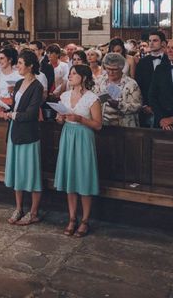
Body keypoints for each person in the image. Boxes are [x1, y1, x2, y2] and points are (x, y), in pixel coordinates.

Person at [54, 65, 102, 237]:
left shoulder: (92, 98)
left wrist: (80, 119)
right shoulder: (64, 95)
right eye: (70, 73)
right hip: (68, 135)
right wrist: (60, 118)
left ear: (83, 77)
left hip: (83, 137)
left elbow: (98, 124)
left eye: (74, 74)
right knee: (70, 177)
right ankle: (72, 218)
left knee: (84, 177)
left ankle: (85, 220)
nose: (70, 76)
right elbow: (61, 120)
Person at [3, 50, 45, 226]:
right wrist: (8, 112)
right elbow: (16, 106)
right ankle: (19, 208)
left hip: (28, 132)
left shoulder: (37, 86)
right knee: (17, 172)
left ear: (30, 66)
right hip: (15, 130)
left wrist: (13, 115)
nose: (17, 66)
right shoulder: (19, 82)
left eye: (20, 63)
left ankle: (34, 212)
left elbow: (31, 113)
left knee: (31, 173)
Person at [94, 53, 142, 127]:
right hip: (102, 124)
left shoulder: (131, 84)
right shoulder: (100, 80)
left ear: (121, 68)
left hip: (124, 126)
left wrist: (119, 105)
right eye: (108, 69)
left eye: (114, 69)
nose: (111, 72)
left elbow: (137, 106)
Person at [135, 30, 167, 128]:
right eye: (150, 41)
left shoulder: (170, 60)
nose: (151, 43)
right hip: (146, 107)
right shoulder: (142, 62)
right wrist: (144, 105)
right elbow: (138, 85)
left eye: (155, 40)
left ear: (163, 43)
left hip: (166, 108)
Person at [0, 48, 21, 117]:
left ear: (10, 60)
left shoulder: (18, 75)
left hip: (13, 105)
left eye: (2, 58)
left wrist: (14, 90)